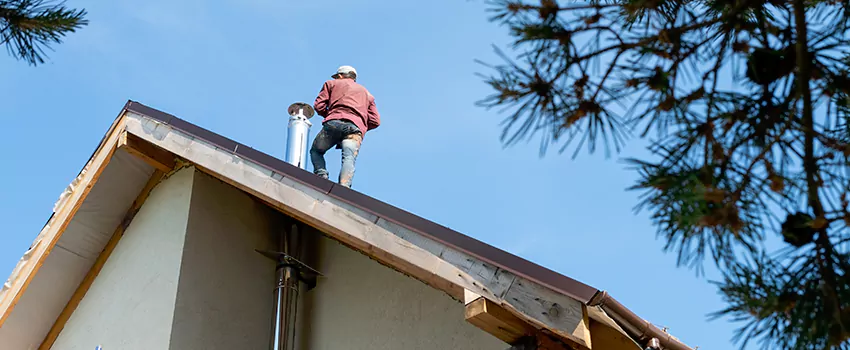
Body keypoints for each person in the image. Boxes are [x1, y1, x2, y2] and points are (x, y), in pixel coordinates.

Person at [310, 65, 381, 188]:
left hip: (334, 123)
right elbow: (375, 120)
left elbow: (319, 106)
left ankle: (322, 176)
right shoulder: (367, 94)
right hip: (354, 129)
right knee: (349, 158)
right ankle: (344, 187)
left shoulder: (331, 84)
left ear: (341, 75)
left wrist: (331, 114)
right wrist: (360, 123)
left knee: (316, 151)